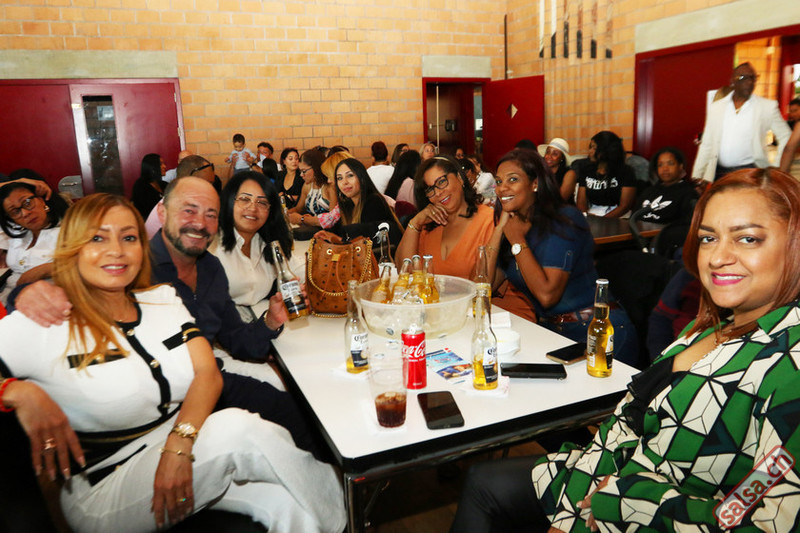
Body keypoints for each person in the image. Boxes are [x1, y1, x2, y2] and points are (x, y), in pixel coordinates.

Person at [451, 167, 800, 532]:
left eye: (748, 239)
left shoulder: (790, 365)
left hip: (635, 506)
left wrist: (624, 499)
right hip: (600, 467)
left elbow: (763, 522)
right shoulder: (712, 326)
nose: (716, 257)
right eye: (709, 238)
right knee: (481, 481)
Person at [0, 193, 345, 533]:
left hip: (186, 451)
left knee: (290, 508)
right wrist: (17, 393)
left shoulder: (162, 298)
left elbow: (207, 373)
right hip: (104, 490)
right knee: (237, 429)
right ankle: (352, 506)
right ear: (73, 248)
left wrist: (178, 445)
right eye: (97, 238)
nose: (116, 250)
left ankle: (343, 513)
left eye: (128, 238)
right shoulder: (47, 321)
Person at [486, 148, 638, 364]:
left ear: (535, 183)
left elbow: (547, 295)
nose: (503, 188)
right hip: (553, 332)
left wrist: (517, 241)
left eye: (513, 179)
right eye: (499, 181)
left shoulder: (563, 221)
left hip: (597, 331)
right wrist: (499, 230)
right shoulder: (513, 226)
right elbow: (481, 289)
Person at [210, 171, 298, 322]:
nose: (253, 208)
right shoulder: (211, 244)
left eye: (262, 202)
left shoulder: (267, 243)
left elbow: (298, 268)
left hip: (256, 326)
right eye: (245, 199)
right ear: (230, 201)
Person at [395, 155, 493, 279]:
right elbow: (404, 272)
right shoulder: (429, 226)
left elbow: (482, 280)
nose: (438, 193)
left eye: (441, 182)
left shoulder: (488, 220)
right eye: (430, 189)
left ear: (459, 178)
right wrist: (415, 223)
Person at [692, 62, 791, 184]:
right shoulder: (717, 107)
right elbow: (707, 143)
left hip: (751, 171)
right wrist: (697, 174)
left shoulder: (766, 107)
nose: (749, 82)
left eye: (752, 78)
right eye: (743, 77)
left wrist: (776, 165)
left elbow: (786, 135)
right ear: (732, 81)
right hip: (719, 171)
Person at [0, 179, 69, 305]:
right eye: (15, 211)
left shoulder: (68, 230)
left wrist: (47, 269)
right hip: (7, 299)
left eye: (27, 203)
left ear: (41, 200)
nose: (25, 213)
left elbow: (88, 264)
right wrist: (20, 180)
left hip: (47, 303)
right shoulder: (16, 234)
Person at [333, 158, 403, 244]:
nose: (344, 182)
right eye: (339, 178)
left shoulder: (374, 202)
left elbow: (372, 241)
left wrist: (340, 238)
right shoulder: (348, 204)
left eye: (350, 175)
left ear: (362, 178)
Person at [576, 131, 637, 218]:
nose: (590, 151)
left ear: (606, 150)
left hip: (618, 216)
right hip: (592, 213)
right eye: (590, 147)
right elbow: (581, 201)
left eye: (594, 148)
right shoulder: (586, 169)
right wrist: (585, 216)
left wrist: (602, 220)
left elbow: (625, 206)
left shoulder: (626, 172)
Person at [634, 146, 698, 224]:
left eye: (670, 164)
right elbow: (633, 217)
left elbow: (685, 226)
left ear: (680, 166)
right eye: (660, 165)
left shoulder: (689, 193)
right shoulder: (649, 191)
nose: (665, 169)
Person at [287, 149, 334, 227]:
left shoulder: (330, 187)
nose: (301, 175)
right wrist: (284, 214)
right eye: (300, 171)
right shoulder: (307, 186)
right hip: (310, 228)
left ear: (316, 168)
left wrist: (303, 219)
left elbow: (332, 220)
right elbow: (298, 209)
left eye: (304, 171)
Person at [538, 137, 578, 203]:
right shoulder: (541, 170)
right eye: (548, 152)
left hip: (563, 208)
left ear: (562, 158)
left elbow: (561, 200)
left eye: (555, 154)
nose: (549, 156)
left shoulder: (569, 174)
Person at [131, 153, 167, 218]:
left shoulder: (165, 185)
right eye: (160, 164)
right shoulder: (141, 186)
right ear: (152, 167)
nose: (164, 166)